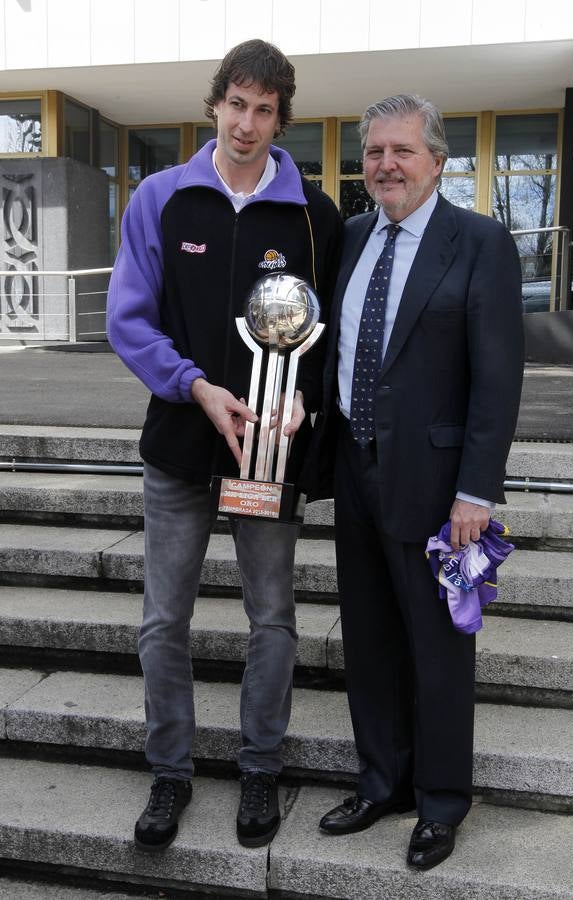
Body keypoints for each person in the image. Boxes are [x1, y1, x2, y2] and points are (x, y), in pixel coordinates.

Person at [107, 39, 341, 852]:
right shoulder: (162, 199)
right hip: (179, 445)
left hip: (267, 459)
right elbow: (127, 320)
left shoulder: (316, 216)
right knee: (161, 623)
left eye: (265, 109)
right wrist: (195, 387)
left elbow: (334, 339)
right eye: (236, 104)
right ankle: (170, 772)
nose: (247, 123)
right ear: (216, 105)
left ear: (282, 117)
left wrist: (303, 405)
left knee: (272, 618)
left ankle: (260, 768)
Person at [314, 94, 524, 869]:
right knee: (368, 643)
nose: (386, 165)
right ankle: (382, 783)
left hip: (438, 487)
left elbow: (497, 379)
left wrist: (476, 491)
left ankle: (439, 803)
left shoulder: (480, 242)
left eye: (402, 151)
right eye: (374, 151)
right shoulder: (354, 237)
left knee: (436, 653)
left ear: (437, 161)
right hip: (355, 468)